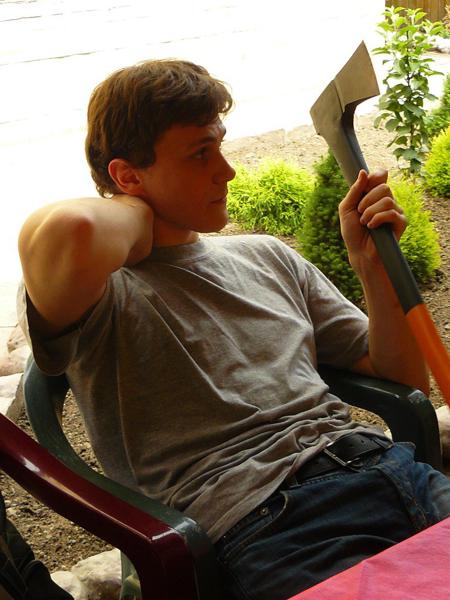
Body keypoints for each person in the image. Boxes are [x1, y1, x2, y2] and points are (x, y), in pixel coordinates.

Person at [17, 59, 450, 600]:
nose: (228, 172)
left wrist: (373, 270)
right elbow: (70, 229)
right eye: (200, 154)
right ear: (127, 176)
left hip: (389, 469)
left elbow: (404, 381)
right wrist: (138, 214)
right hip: (271, 523)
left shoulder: (268, 257)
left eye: (220, 146)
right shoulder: (103, 292)